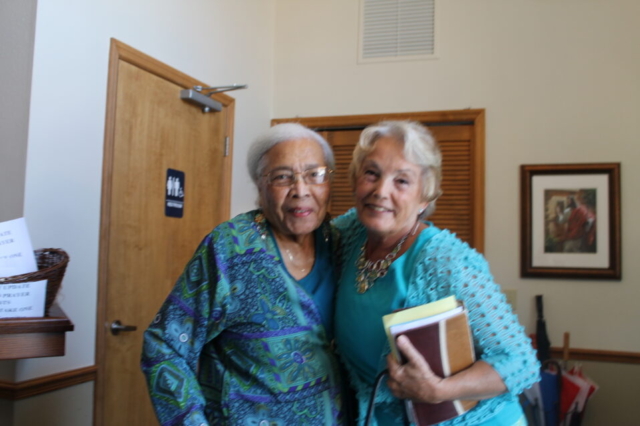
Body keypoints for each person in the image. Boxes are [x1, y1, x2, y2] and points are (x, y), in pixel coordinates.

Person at [333, 121, 540, 426]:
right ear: (354, 180)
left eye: (402, 180)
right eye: (371, 173)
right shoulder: (350, 234)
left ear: (424, 198)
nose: (381, 191)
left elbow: (520, 362)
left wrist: (440, 390)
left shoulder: (445, 260)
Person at [141, 123, 346, 426]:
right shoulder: (230, 248)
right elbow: (164, 343)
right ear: (260, 188)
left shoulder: (340, 243)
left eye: (314, 174)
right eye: (282, 177)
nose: (301, 190)